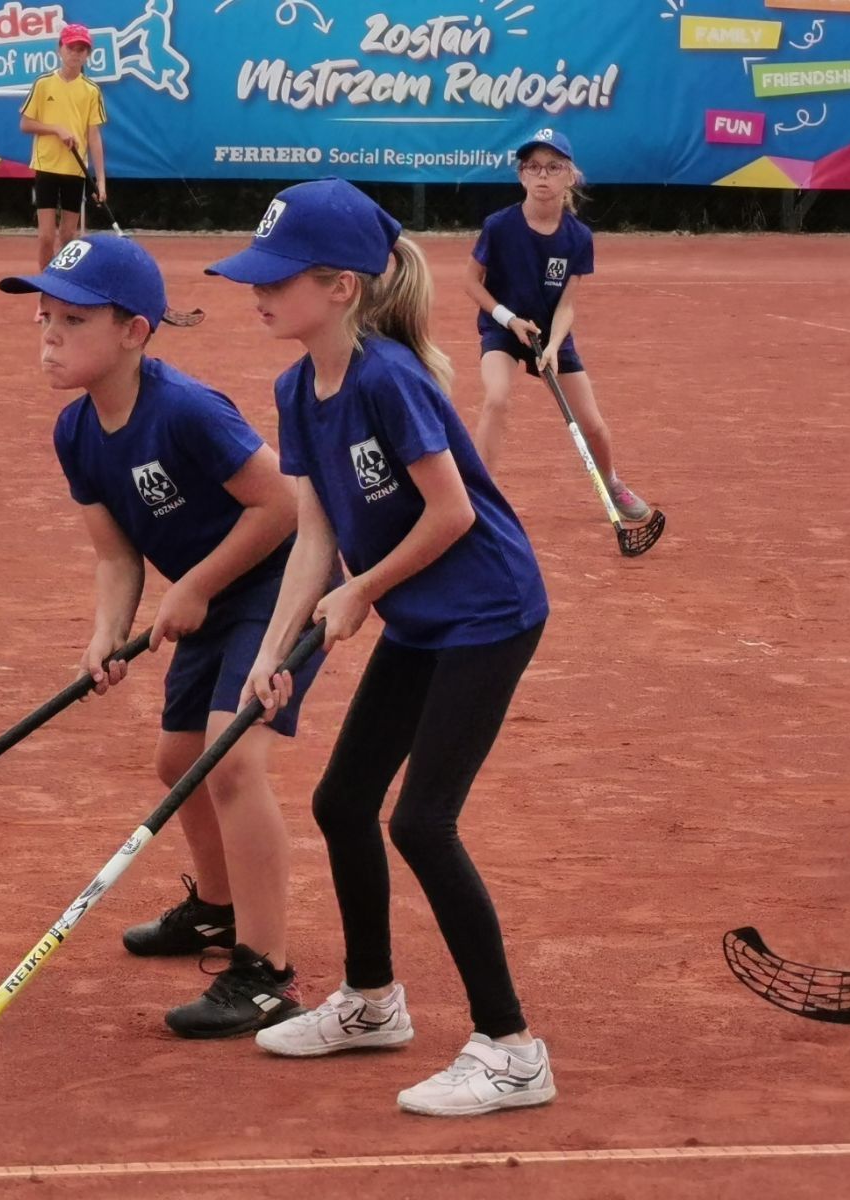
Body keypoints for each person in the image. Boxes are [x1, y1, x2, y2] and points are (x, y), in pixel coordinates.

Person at [207, 178, 556, 1117]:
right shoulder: (296, 387)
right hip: (423, 617)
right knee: (343, 801)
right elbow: (316, 535)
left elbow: (452, 513)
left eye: (279, 277)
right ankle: (371, 1002)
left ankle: (513, 1050)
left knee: (421, 822)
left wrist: (363, 590)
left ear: (342, 288)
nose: (258, 291)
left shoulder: (387, 378)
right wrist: (272, 651)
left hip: (489, 611)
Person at [0, 233, 329, 1038]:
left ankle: (265, 971)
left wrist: (196, 586)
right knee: (179, 760)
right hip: (208, 600)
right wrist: (106, 634)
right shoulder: (75, 433)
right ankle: (217, 908)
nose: (50, 337)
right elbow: (116, 555)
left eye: (74, 321)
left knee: (231, 759)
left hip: (277, 589)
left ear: (134, 331)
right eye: (45, 319)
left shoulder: (184, 409)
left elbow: (282, 506)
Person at [463, 128, 651, 523]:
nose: (542, 175)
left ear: (570, 176)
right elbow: (470, 282)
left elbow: (567, 304)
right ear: (521, 176)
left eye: (553, 167)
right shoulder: (499, 226)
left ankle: (611, 482)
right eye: (533, 167)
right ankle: (477, 498)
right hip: (503, 328)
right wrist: (508, 319)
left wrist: (553, 346)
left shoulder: (578, 237)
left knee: (593, 424)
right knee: (496, 398)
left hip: (550, 336)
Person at [18, 24, 107, 270]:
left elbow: (94, 136)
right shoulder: (43, 84)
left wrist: (100, 181)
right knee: (46, 237)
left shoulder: (91, 90)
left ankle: (63, 286)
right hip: (46, 166)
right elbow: (25, 124)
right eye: (71, 48)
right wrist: (56, 129)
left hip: (75, 170)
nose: (75, 54)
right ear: (60, 49)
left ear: (88, 55)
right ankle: (46, 288)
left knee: (68, 237)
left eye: (81, 49)